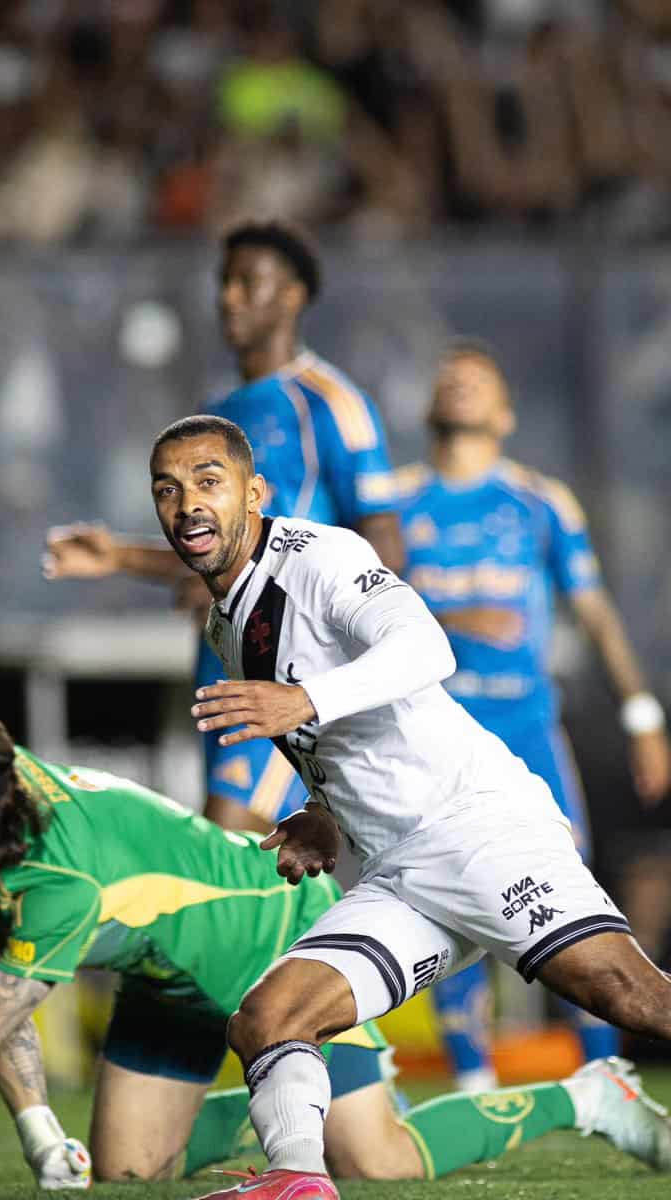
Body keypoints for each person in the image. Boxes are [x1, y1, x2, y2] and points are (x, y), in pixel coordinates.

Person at [0, 697, 669, 1195]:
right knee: (135, 1173)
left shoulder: (62, 879)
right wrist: (39, 1132)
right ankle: (267, 1122)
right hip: (161, 972)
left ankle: (589, 1096)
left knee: (379, 1162)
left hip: (260, 934)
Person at [143, 413, 671, 1200]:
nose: (188, 504)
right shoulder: (228, 619)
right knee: (268, 1019)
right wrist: (323, 812)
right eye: (168, 489)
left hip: (478, 829)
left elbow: (428, 650)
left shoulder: (321, 556)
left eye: (209, 482)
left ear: (254, 493)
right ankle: (296, 1182)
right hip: (399, 869)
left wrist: (302, 698)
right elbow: (333, 735)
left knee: (630, 998)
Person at [44, 218, 402, 834]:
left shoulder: (330, 404)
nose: (228, 297)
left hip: (286, 662)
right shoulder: (223, 411)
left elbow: (384, 542)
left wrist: (336, 649)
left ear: (292, 295)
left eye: (247, 282)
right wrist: (118, 557)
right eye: (224, 282)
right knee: (256, 870)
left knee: (229, 847)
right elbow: (227, 550)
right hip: (224, 654)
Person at [398, 343, 671, 1090]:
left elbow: (597, 614)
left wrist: (642, 714)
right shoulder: (391, 505)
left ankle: (602, 1074)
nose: (457, 381)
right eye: (447, 375)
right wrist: (453, 615)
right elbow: (359, 615)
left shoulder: (540, 503)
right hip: (438, 736)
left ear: (505, 414)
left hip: (526, 731)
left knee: (568, 888)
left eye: (478, 380)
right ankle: (472, 1080)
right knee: (442, 890)